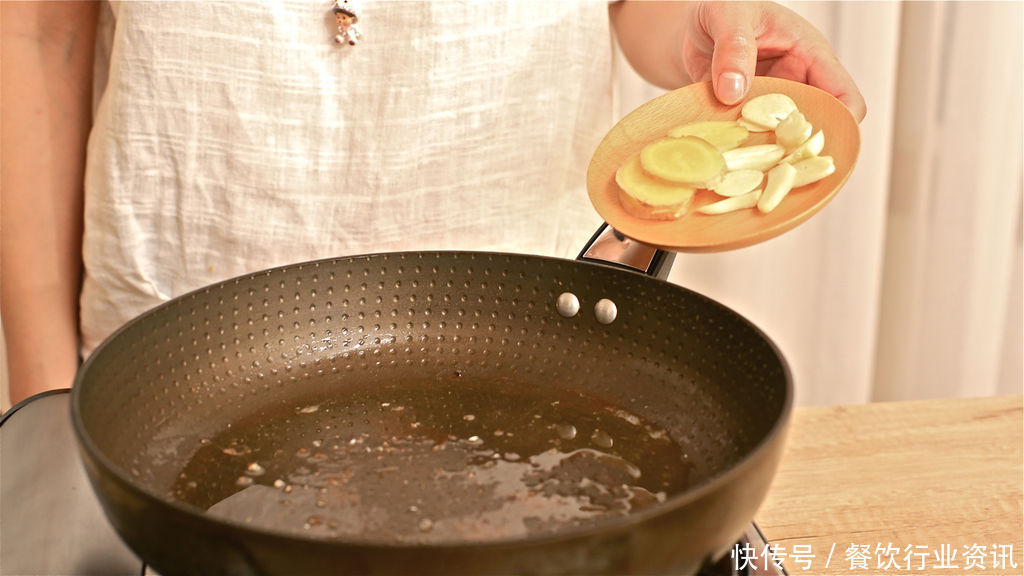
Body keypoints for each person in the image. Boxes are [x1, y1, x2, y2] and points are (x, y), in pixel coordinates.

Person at [1, 1, 865, 407]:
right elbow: (38, 32)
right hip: (172, 349)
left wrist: (700, 30)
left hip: (531, 330)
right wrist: (42, 392)